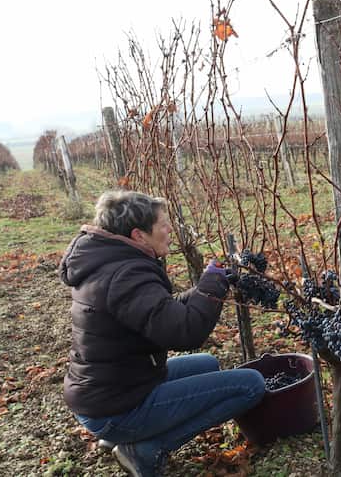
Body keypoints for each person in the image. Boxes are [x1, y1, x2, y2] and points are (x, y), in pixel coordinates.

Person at [59, 190, 265, 477]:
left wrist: (207, 286)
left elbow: (161, 312)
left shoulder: (109, 262)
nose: (170, 229)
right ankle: (144, 448)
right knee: (251, 385)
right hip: (115, 407)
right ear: (139, 235)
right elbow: (185, 331)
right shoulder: (126, 275)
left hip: (111, 389)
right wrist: (211, 284)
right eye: (163, 224)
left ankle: (126, 435)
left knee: (207, 364)